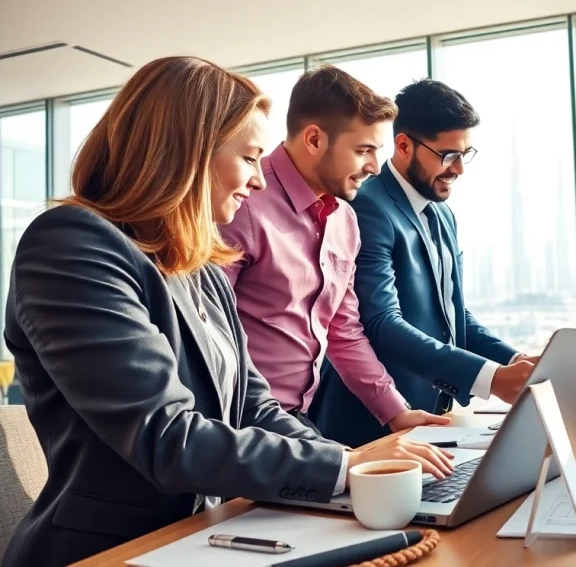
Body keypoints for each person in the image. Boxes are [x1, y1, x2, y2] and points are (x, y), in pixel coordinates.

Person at [1, 57, 452, 567]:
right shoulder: (72, 244)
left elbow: (254, 407)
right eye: (249, 158)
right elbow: (165, 434)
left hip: (209, 532)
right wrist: (342, 467)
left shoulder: (201, 267)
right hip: (110, 549)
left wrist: (355, 464)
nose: (259, 181)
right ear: (189, 153)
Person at [218, 66, 446, 436]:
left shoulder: (344, 220)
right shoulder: (240, 204)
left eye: (377, 151)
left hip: (297, 420)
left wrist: (396, 412)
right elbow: (212, 333)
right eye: (363, 150)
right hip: (239, 424)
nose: (374, 167)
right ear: (314, 139)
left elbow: (343, 330)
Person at [309, 79, 536, 446]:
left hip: (432, 419)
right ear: (403, 146)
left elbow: (454, 315)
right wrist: (490, 378)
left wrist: (516, 363)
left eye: (465, 154)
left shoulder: (443, 215)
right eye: (448, 155)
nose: (459, 169)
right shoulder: (366, 208)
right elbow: (381, 323)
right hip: (369, 428)